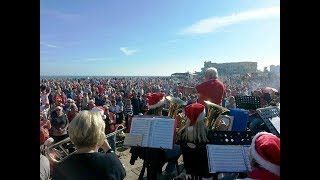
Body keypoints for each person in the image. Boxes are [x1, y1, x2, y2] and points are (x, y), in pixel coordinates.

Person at [51, 110, 126, 180]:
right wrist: (108, 149)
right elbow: (122, 172)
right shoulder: (110, 162)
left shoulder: (60, 168)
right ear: (99, 134)